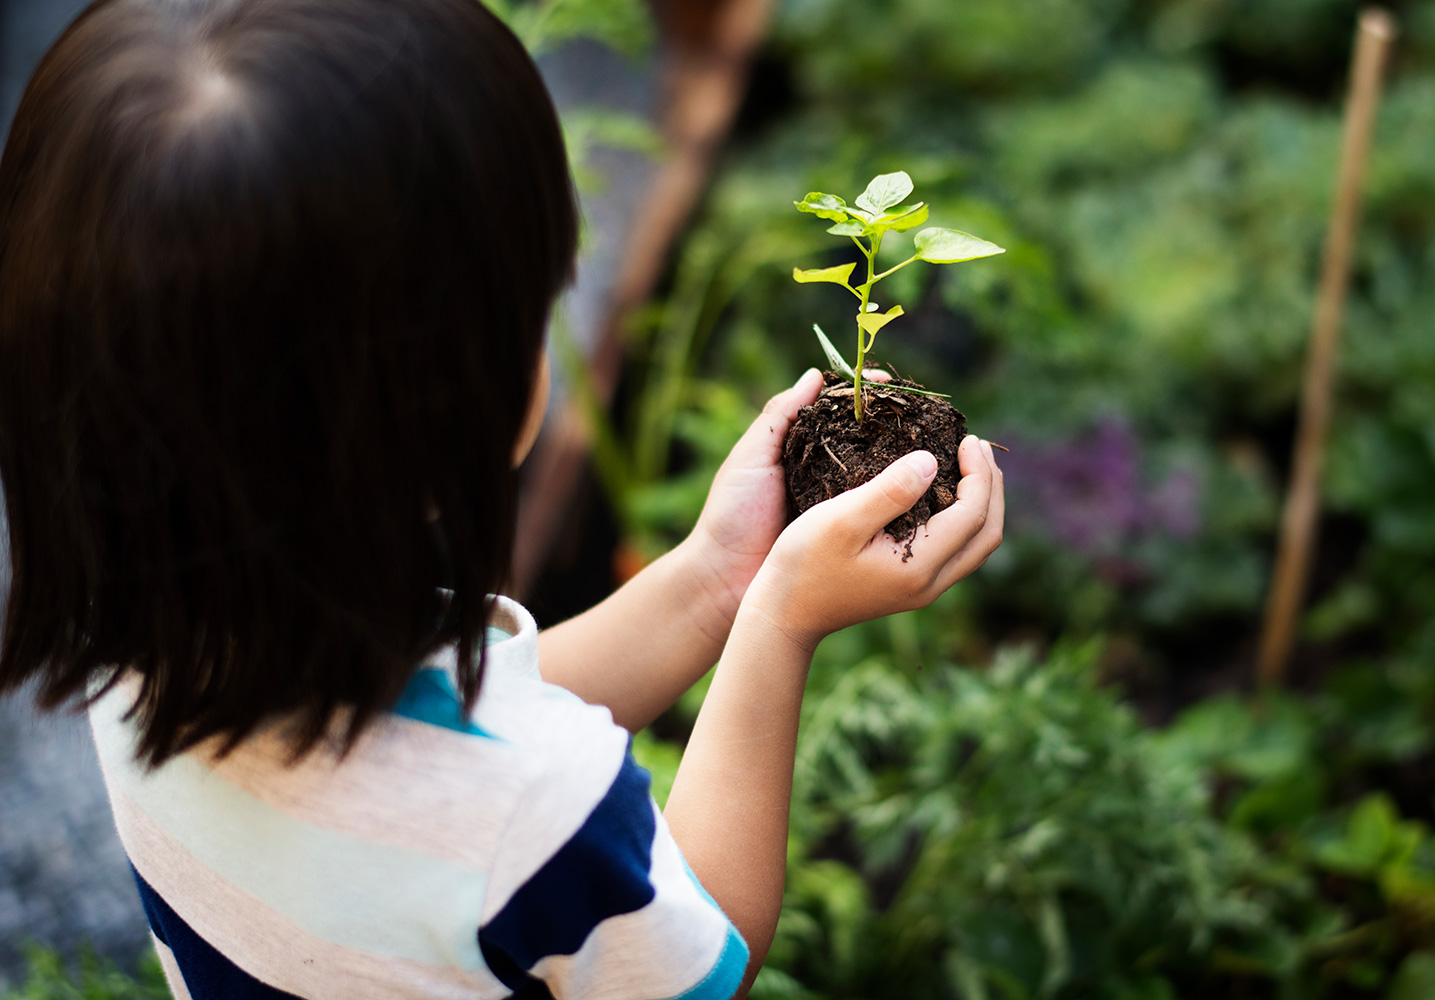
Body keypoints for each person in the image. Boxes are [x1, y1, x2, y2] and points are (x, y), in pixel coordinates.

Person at [0, 0, 1005, 997]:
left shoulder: (146, 651)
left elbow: (454, 737)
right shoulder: (533, 816)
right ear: (447, 403)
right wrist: (780, 624)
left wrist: (713, 581)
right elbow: (705, 960)